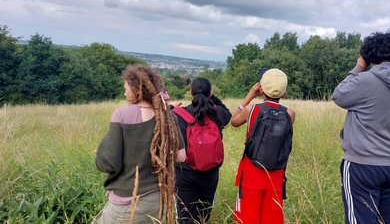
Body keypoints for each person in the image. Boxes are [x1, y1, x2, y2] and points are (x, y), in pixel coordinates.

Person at [331, 31, 390, 224]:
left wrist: (358, 67)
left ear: (369, 55)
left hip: (363, 164)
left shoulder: (365, 80)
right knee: (383, 221)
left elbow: (339, 95)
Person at [93, 65, 186, 224]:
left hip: (129, 200)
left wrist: (101, 153)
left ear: (136, 90)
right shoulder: (168, 117)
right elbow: (181, 156)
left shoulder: (122, 115)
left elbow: (108, 163)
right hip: (158, 199)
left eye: (126, 88)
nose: (124, 93)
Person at [230, 68, 296, 224]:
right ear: (284, 93)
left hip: (251, 173)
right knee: (271, 219)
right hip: (276, 175)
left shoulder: (251, 110)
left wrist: (250, 96)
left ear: (261, 90)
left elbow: (233, 121)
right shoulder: (290, 114)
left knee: (248, 219)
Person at [171, 77, 232, 224]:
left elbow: (158, 120)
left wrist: (169, 108)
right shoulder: (218, 114)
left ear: (191, 92)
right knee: (204, 213)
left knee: (185, 215)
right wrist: (211, 97)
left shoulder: (177, 115)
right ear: (210, 93)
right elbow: (227, 112)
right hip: (210, 172)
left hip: (184, 172)